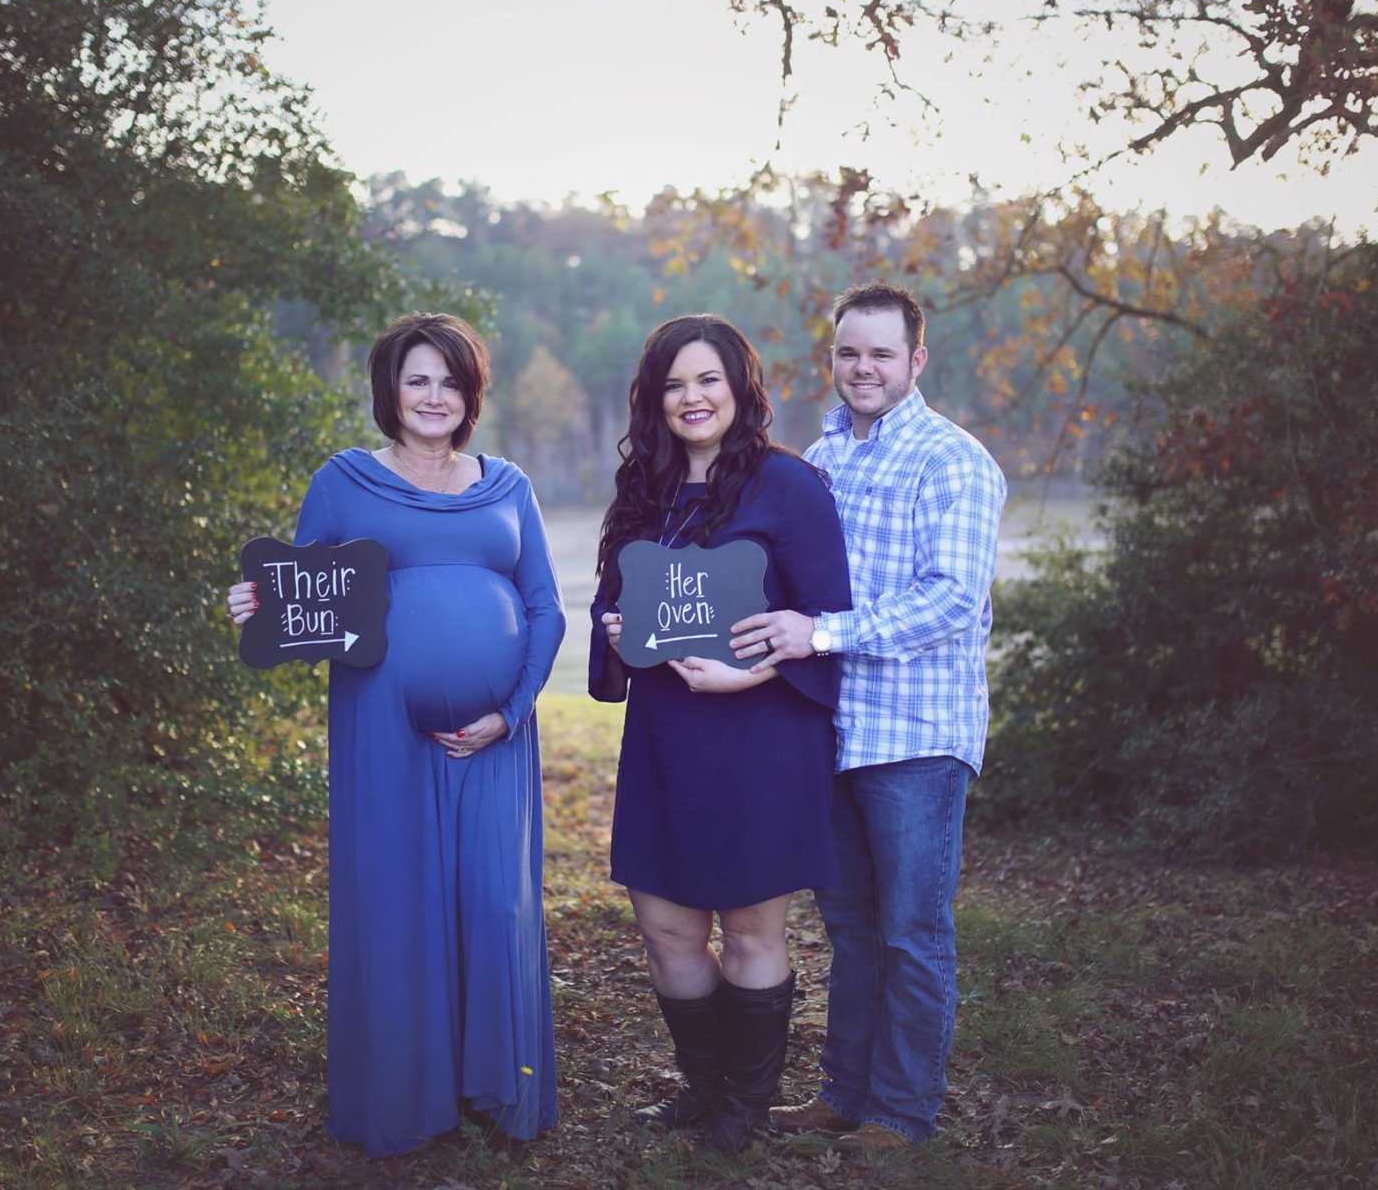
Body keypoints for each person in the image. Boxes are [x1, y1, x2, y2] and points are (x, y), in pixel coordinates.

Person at [226, 313, 564, 1156]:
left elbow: (547, 608)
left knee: (497, 901)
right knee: (397, 899)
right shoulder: (344, 482)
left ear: (471, 394)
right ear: (390, 389)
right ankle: (405, 1098)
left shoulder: (507, 484)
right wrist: (257, 607)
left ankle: (497, 1086)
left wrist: (511, 711)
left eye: (451, 380)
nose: (435, 396)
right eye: (418, 379)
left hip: (497, 735)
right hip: (380, 725)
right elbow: (304, 595)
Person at [730, 283, 1007, 1150]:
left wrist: (823, 633)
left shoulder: (953, 461)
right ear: (833, 357)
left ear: (916, 361)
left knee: (912, 931)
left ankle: (901, 1112)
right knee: (850, 930)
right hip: (835, 731)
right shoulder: (821, 460)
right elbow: (787, 584)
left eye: (882, 353)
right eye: (850, 352)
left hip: (917, 738)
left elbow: (951, 600)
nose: (863, 367)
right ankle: (843, 1095)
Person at [588, 314, 852, 1153]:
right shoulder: (645, 493)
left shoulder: (790, 487)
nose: (692, 398)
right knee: (665, 926)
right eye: (674, 384)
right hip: (666, 737)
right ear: (653, 399)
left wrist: (757, 669)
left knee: (748, 930)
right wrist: (617, 628)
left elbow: (828, 620)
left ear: (741, 387)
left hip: (760, 739)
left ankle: (744, 1104)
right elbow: (610, 608)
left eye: (708, 380)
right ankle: (701, 1088)